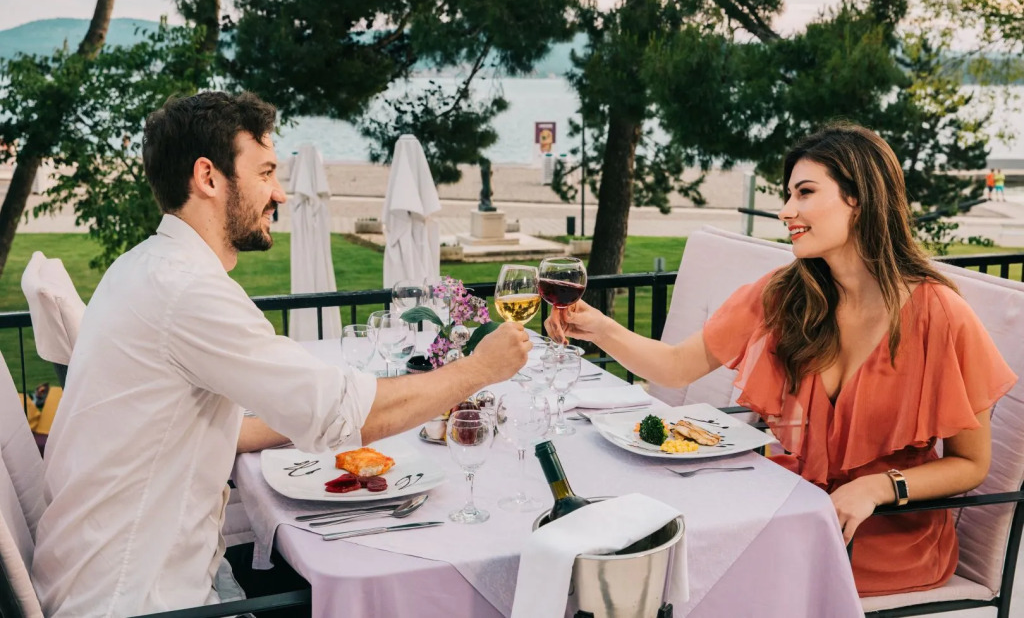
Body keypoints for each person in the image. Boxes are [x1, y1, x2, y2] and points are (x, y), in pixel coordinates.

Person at [31, 91, 531, 617]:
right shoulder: (188, 291)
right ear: (208, 177)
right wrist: (479, 369)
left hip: (112, 579)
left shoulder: (143, 266)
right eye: (266, 172)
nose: (281, 194)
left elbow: (228, 429)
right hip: (138, 601)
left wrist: (316, 415)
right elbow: (345, 414)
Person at [546, 123, 1016, 597]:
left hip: (885, 533)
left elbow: (971, 464)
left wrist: (877, 488)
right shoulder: (786, 294)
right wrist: (600, 328)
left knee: (707, 572)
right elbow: (676, 366)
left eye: (805, 193)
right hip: (794, 503)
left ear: (859, 198)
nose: (786, 210)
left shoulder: (938, 314)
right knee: (654, 553)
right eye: (788, 195)